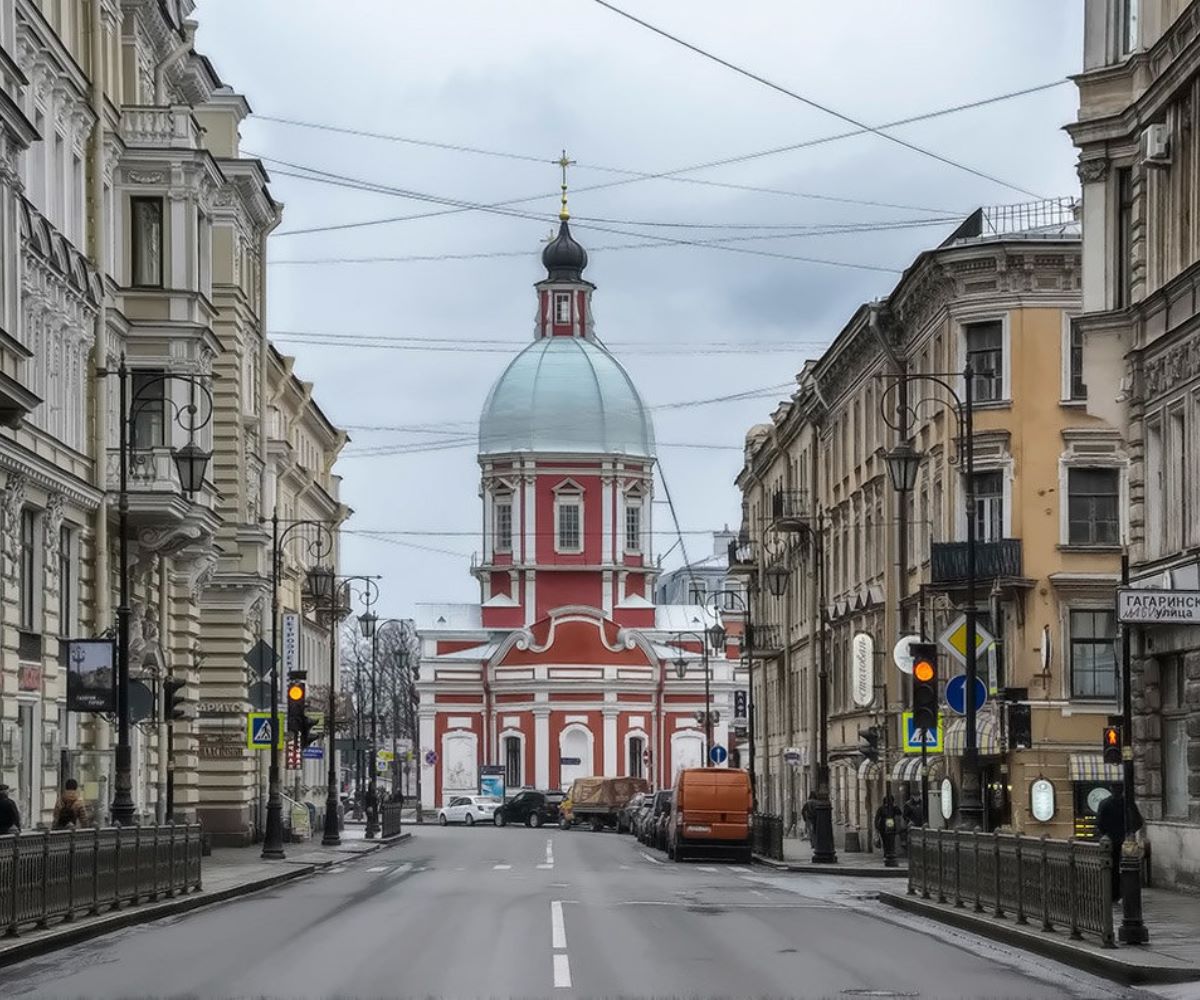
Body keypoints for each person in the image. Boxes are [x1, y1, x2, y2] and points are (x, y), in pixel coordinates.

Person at [1096, 786, 1142, 903]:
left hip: (1111, 841)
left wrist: (1106, 834)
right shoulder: (1128, 804)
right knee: (1129, 867)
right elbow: (1138, 821)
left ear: (1111, 789)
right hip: (1126, 841)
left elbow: (1100, 823)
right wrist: (1129, 832)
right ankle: (1127, 893)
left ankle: (1114, 894)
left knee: (1112, 868)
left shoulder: (1105, 803)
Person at [874, 794, 903, 860]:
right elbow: (877, 818)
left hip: (891, 826)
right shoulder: (881, 808)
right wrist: (877, 827)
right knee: (885, 841)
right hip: (883, 827)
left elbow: (899, 813)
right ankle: (886, 853)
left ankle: (891, 853)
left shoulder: (893, 807)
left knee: (891, 840)